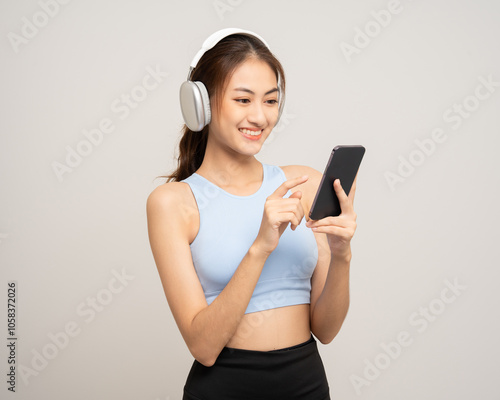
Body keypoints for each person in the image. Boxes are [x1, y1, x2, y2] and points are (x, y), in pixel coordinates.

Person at [146, 28, 358, 400]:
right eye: (243, 100)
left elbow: (325, 329)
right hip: (224, 387)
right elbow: (203, 346)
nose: (259, 117)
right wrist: (260, 246)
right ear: (203, 104)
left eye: (271, 101)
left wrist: (342, 254)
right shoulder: (172, 203)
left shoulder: (302, 183)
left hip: (306, 384)